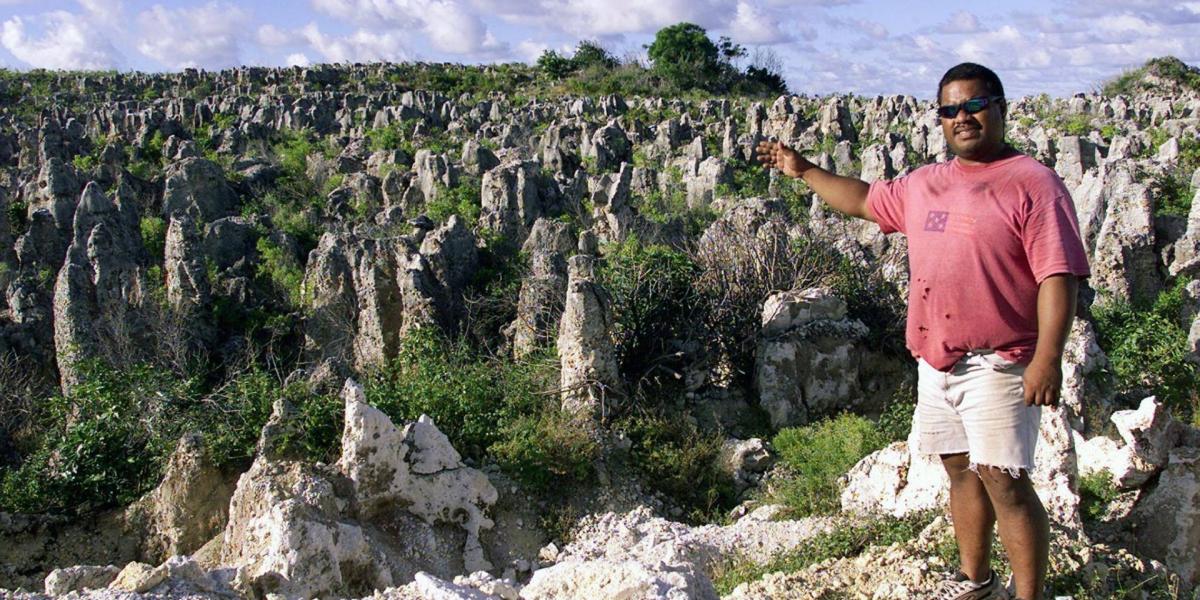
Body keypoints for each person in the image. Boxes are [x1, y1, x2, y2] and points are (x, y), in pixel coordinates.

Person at [755, 63, 1090, 600]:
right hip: (936, 359)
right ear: (941, 120)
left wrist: (1047, 358)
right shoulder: (926, 183)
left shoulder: (1033, 184)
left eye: (975, 105)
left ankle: (1029, 595)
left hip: (1000, 360)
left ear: (1000, 107)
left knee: (1004, 478)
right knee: (959, 468)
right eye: (951, 110)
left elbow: (1057, 276)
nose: (963, 117)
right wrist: (804, 170)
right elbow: (865, 200)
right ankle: (976, 581)